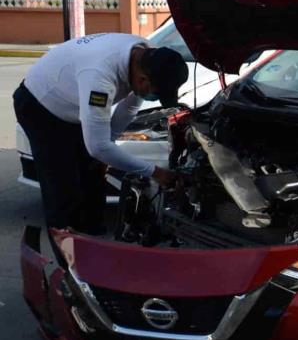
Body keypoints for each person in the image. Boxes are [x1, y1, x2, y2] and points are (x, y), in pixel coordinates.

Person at [13, 32, 189, 236]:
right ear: (142, 79)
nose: (154, 97)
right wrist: (154, 172)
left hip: (73, 103)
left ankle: (95, 241)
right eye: (157, 93)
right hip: (40, 108)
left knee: (94, 180)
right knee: (63, 191)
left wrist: (109, 146)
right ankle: (69, 260)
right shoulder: (99, 78)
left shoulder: (146, 56)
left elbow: (129, 109)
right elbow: (97, 146)